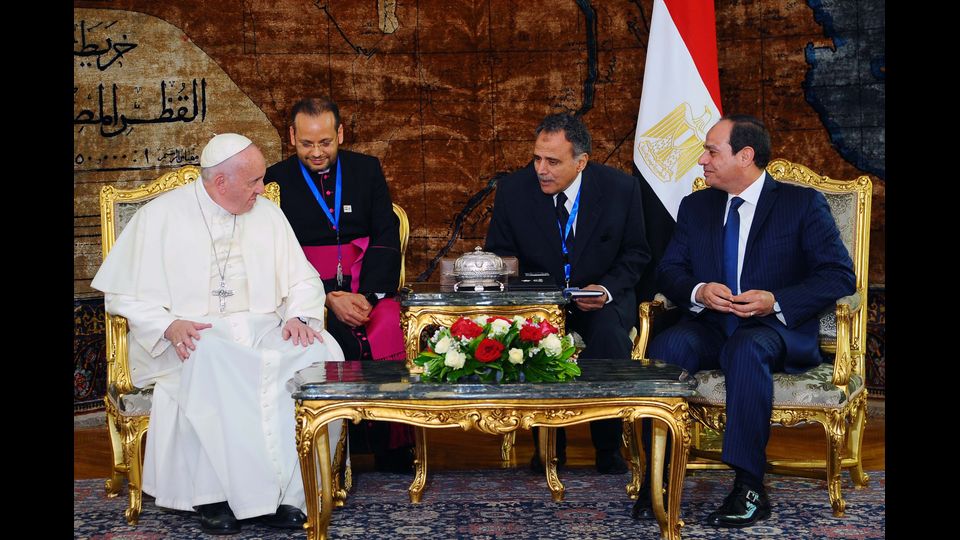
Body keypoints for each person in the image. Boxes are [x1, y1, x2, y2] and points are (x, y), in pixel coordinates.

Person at [91, 133, 346, 535]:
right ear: (220, 182)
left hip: (261, 329)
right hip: (193, 335)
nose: (263, 190)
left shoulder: (266, 214)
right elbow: (121, 297)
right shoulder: (161, 217)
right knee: (209, 358)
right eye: (254, 182)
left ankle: (284, 495)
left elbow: (304, 281)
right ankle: (213, 496)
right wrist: (168, 325)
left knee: (320, 350)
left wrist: (299, 316)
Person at [633, 115, 855, 527]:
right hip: (711, 325)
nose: (702, 160)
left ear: (745, 155)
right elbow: (670, 271)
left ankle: (750, 485)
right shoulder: (696, 206)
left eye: (711, 151)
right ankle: (658, 477)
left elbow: (839, 274)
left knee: (746, 348)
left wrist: (776, 300)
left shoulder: (800, 204)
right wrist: (699, 290)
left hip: (773, 329)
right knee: (666, 346)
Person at [485, 112, 651, 474]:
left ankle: (607, 446)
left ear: (581, 162)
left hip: (599, 298)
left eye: (553, 161)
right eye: (537, 158)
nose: (541, 169)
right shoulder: (514, 190)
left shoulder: (621, 189)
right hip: (540, 301)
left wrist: (606, 289)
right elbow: (499, 255)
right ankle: (547, 444)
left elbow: (637, 253)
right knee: (533, 335)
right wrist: (531, 294)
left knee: (609, 335)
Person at [264, 97, 413, 472]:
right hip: (310, 294)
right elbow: (277, 254)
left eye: (326, 142)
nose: (317, 152)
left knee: (392, 326)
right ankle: (335, 452)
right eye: (307, 144)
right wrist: (327, 299)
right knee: (333, 340)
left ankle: (393, 448)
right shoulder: (274, 180)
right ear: (292, 137)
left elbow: (385, 235)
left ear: (341, 134)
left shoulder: (367, 170)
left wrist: (367, 296)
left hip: (368, 287)